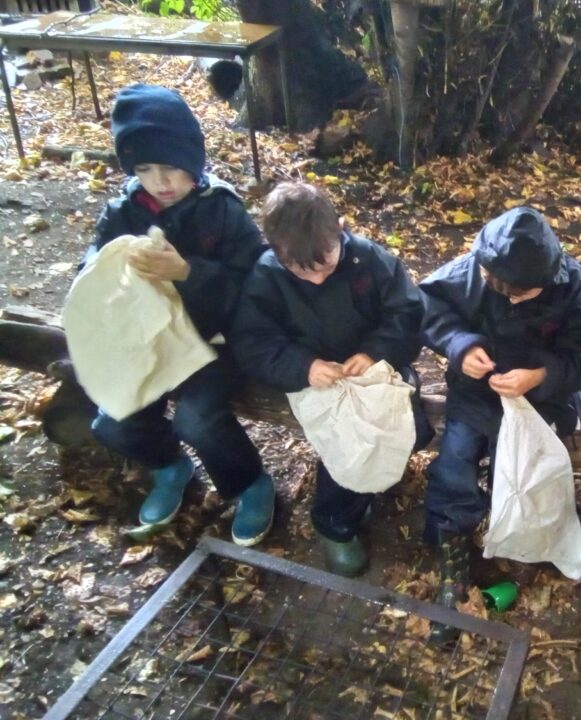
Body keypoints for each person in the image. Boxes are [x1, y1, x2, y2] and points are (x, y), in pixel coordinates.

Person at [84, 84, 274, 545]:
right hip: (148, 340)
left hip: (214, 343)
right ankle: (170, 466)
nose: (160, 182)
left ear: (192, 161)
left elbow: (259, 285)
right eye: (145, 169)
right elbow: (91, 275)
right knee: (113, 419)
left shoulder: (221, 209)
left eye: (170, 167)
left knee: (197, 419)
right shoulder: (123, 212)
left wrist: (188, 272)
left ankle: (249, 482)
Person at [419, 205, 581, 640]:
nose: (510, 299)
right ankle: (452, 558)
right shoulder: (473, 272)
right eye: (500, 291)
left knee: (533, 468)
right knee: (456, 462)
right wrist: (461, 346)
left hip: (545, 399)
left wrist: (542, 375)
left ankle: (549, 532)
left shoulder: (573, 288)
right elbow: (428, 306)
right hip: (477, 393)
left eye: (521, 295)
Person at [231, 182, 430, 576]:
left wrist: (376, 352)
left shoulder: (372, 262)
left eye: (325, 264)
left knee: (414, 428)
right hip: (314, 377)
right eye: (300, 270)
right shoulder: (267, 278)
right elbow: (253, 342)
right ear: (275, 251)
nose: (317, 279)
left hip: (375, 367)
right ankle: (334, 522)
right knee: (350, 441)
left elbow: (408, 315)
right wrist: (303, 366)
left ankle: (371, 480)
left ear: (340, 229)